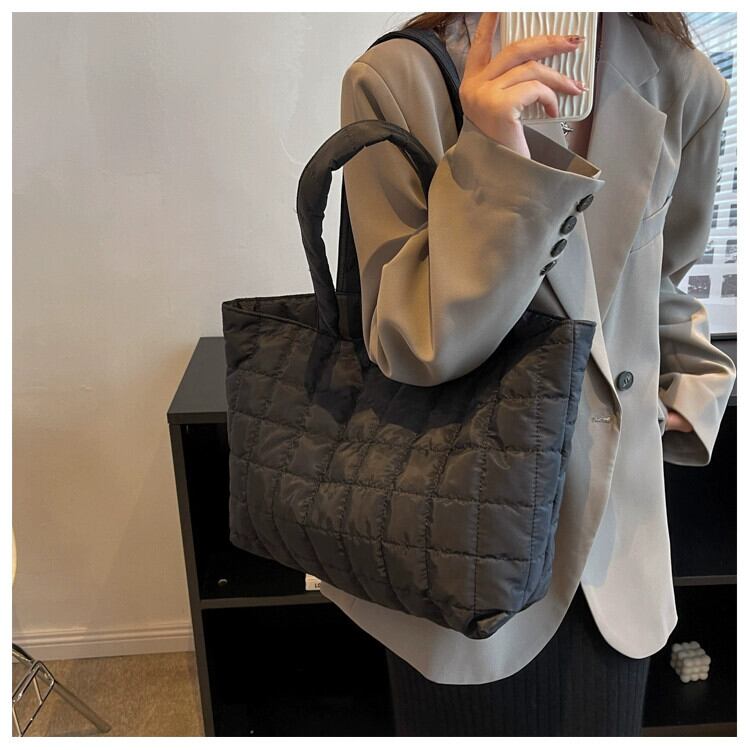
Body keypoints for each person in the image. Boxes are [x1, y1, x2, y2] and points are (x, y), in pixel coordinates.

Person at [318, 11, 736, 735]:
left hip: (615, 544)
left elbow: (660, 281)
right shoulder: (398, 79)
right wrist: (495, 156)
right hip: (455, 536)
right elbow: (413, 342)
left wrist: (696, 389)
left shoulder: (682, 79)